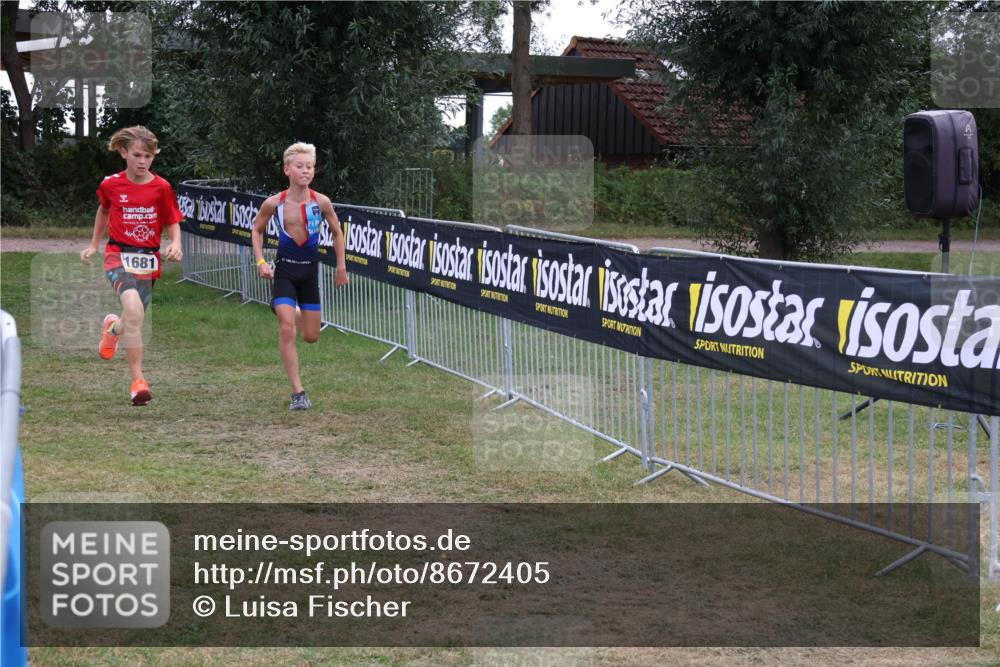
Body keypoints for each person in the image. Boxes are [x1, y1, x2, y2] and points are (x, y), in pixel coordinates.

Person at [80, 126, 183, 406]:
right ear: (124, 152)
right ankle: (138, 382)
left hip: (148, 259)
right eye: (137, 154)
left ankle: (113, 329)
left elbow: (172, 219)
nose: (142, 161)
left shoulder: (162, 187)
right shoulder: (111, 184)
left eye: (148, 156)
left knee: (132, 318)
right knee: (135, 310)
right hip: (117, 255)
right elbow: (103, 211)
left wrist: (176, 243)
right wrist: (94, 244)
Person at [251, 142, 348, 410]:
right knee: (285, 327)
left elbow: (337, 233)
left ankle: (291, 312)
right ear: (287, 169)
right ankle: (298, 392)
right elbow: (256, 230)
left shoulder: (321, 202)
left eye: (310, 167)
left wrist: (341, 266)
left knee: (311, 336)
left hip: (309, 274)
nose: (305, 171)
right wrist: (260, 261)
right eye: (300, 166)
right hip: (284, 272)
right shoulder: (275, 203)